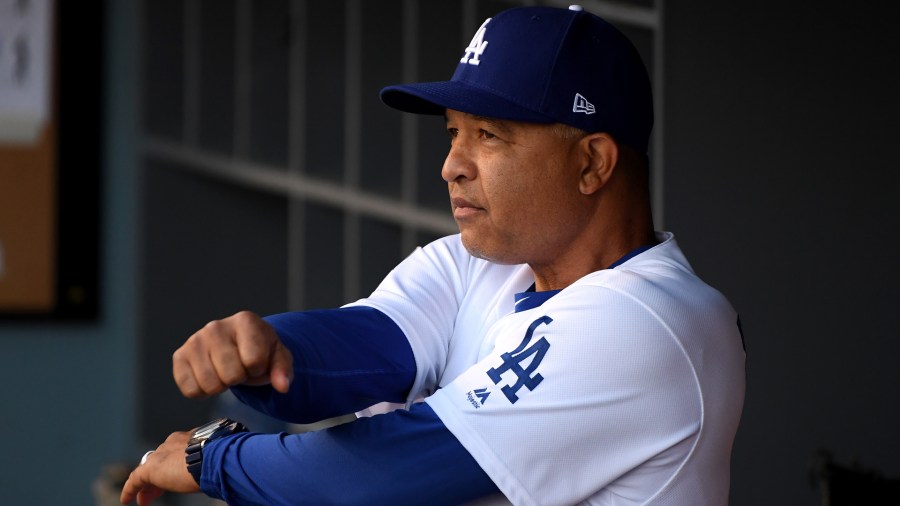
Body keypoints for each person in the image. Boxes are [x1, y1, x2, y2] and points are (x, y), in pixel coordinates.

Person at [121, 5, 746, 506]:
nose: (451, 166)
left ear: (592, 163)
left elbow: (378, 477)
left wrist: (213, 457)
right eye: (453, 132)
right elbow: (365, 347)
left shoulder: (653, 323)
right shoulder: (478, 262)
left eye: (489, 135)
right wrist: (263, 352)